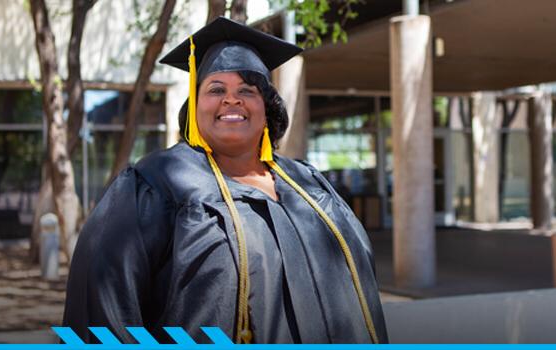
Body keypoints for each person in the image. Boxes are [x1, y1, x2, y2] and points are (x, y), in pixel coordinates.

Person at [62, 17, 388, 344]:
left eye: (247, 90)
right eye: (216, 89)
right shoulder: (157, 185)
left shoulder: (309, 184)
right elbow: (103, 311)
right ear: (195, 105)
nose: (232, 99)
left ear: (266, 108)